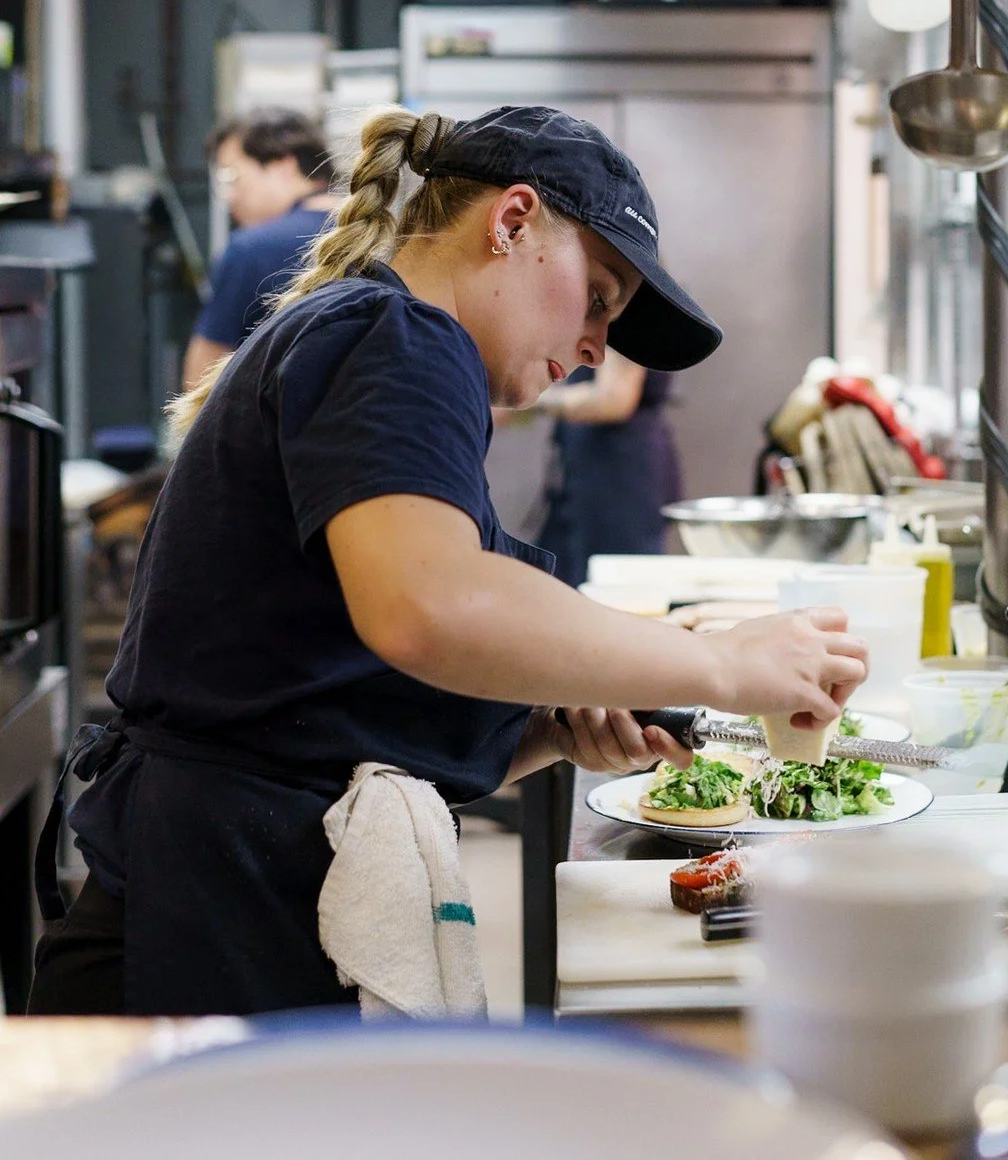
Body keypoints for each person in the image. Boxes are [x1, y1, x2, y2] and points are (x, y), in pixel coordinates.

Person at [29, 105, 868, 1017]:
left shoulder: (372, 340)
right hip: (196, 933)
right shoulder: (397, 337)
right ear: (511, 222)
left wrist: (542, 732)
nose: (596, 348)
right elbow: (428, 608)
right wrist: (721, 663)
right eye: (598, 297)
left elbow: (322, 708)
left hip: (234, 897)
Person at [182, 107, 338, 389]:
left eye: (232, 177)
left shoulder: (250, 250)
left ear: (284, 166)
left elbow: (200, 381)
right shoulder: (380, 234)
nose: (229, 196)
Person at [535, 351, 682, 587]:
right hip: (595, 465)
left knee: (620, 588)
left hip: (620, 474)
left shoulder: (625, 315)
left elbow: (614, 399)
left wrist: (527, 400)